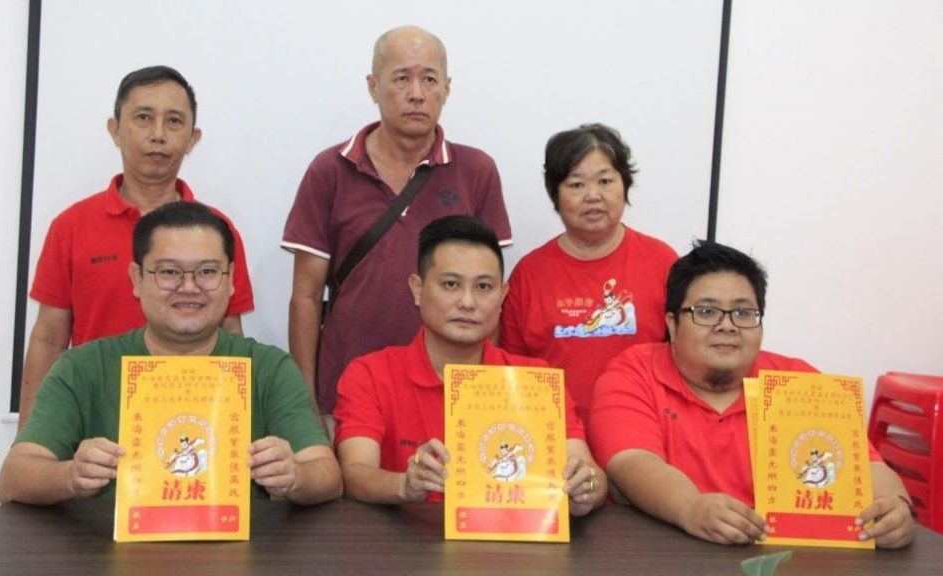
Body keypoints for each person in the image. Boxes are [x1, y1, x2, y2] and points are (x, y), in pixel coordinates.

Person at [0, 202, 340, 506]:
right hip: (106, 550)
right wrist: (70, 475)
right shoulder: (83, 368)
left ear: (231, 279)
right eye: (169, 272)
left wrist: (295, 476)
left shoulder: (269, 369)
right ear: (136, 279)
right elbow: (13, 477)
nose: (188, 287)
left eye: (207, 272)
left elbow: (327, 474)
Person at [590, 240, 915, 547]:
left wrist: (895, 507)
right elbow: (631, 462)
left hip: (773, 553)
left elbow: (867, 466)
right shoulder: (634, 371)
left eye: (743, 313)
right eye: (706, 312)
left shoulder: (796, 380)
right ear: (673, 325)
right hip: (660, 550)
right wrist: (691, 507)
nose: (727, 326)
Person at [282, 26, 512, 419]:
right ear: (373, 87)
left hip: (449, 397)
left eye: (430, 79)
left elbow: (489, 296)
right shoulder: (331, 170)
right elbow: (305, 297)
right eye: (402, 78)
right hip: (347, 393)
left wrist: (479, 393)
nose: (417, 93)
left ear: (447, 88)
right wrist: (305, 406)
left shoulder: (476, 171)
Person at [19, 65, 255, 428]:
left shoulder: (215, 230)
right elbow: (48, 339)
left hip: (192, 424)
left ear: (192, 138)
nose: (158, 135)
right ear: (115, 129)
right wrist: (30, 438)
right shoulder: (71, 226)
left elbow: (231, 335)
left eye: (174, 121)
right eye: (143, 118)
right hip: (92, 422)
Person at [334, 216, 604, 516]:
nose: (467, 302)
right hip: (404, 540)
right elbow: (355, 474)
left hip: (511, 540)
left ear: (502, 296)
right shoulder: (369, 375)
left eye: (483, 287)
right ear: (417, 289)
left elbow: (590, 472)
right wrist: (404, 485)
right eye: (451, 284)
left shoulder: (536, 382)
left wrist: (586, 488)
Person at [500, 123, 676, 426]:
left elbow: (686, 360)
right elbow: (511, 371)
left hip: (645, 431)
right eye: (576, 184)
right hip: (555, 434)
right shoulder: (529, 274)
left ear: (625, 185)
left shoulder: (663, 262)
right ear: (555, 194)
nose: (593, 195)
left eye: (605, 181)